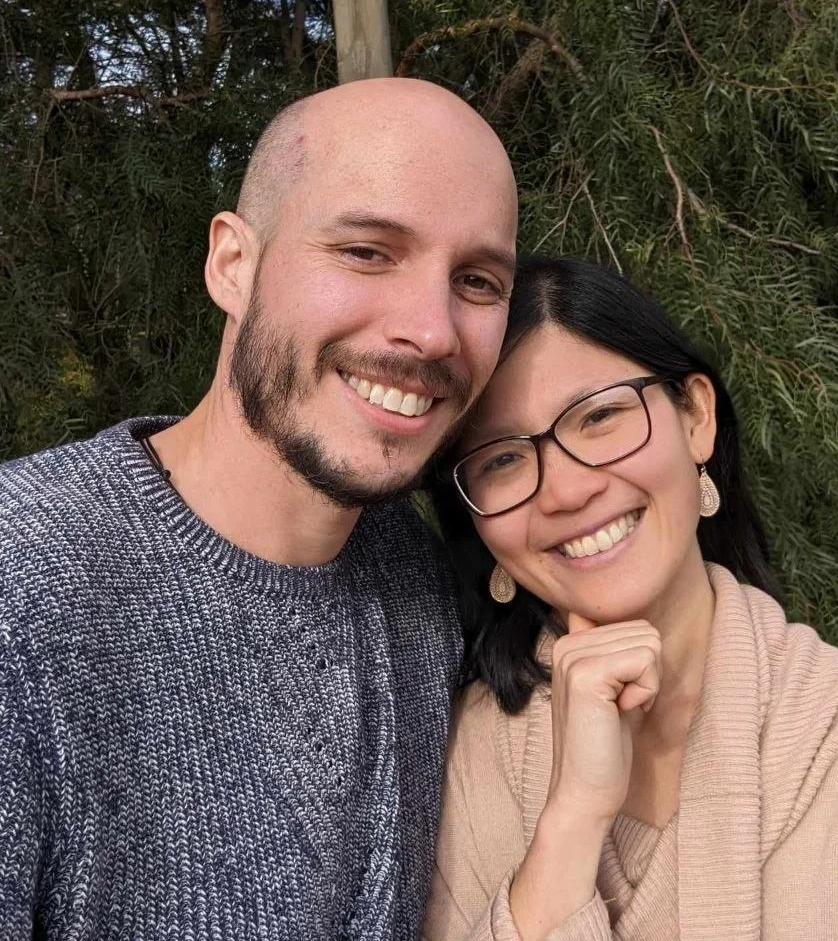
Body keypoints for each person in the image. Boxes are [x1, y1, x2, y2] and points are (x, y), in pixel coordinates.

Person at [0, 78, 518, 938]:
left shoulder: (420, 586)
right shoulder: (21, 587)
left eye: (476, 280)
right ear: (232, 265)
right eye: (366, 251)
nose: (431, 330)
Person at [422, 256, 838, 940]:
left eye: (600, 416)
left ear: (696, 417)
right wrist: (575, 818)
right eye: (502, 459)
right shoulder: (467, 763)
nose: (564, 491)